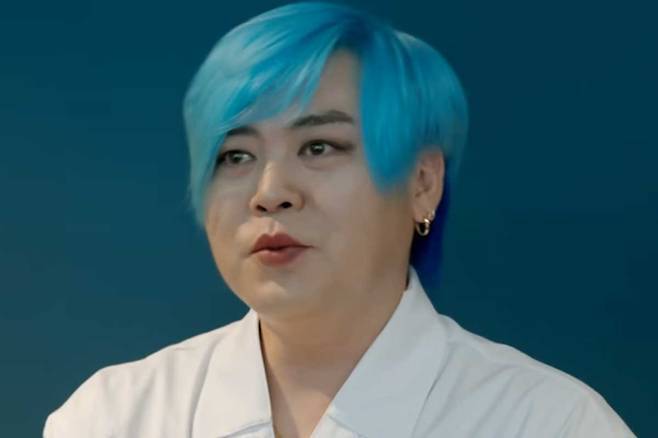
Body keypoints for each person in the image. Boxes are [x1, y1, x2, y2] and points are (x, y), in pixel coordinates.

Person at [43, 2, 636, 437]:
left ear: (422, 183)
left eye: (320, 146)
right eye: (236, 156)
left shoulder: (548, 422)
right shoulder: (113, 418)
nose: (270, 193)